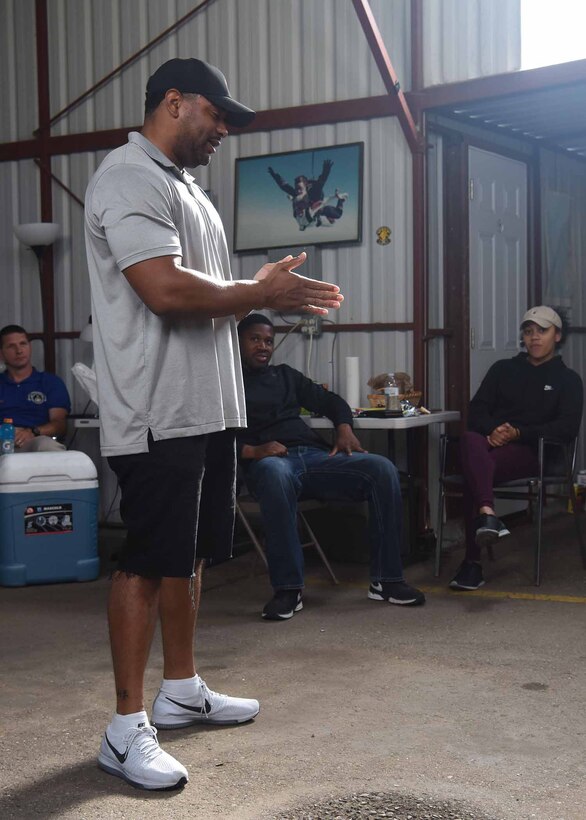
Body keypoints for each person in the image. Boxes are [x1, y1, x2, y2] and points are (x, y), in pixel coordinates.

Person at [84, 57, 343, 791]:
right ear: (173, 101)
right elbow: (164, 289)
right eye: (216, 115)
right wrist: (259, 290)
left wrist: (267, 297)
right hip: (157, 411)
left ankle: (180, 688)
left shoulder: (188, 189)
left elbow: (213, 294)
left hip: (208, 408)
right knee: (144, 558)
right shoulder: (126, 177)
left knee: (189, 554)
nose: (223, 128)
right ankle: (125, 726)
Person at [236, 313, 426, 620]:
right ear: (237, 342)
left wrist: (344, 427)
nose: (263, 346)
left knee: (381, 469)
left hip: (313, 457)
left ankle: (387, 581)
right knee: (275, 473)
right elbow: (212, 440)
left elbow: (332, 401)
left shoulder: (285, 376)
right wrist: (255, 450)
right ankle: (288, 589)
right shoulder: (224, 386)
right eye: (254, 339)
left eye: (269, 341)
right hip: (270, 464)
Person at [449, 305, 583, 591]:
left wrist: (519, 432)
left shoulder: (568, 380)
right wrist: (493, 431)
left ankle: (472, 564)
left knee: (476, 469)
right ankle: (488, 512)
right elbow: (476, 412)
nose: (534, 338)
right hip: (491, 447)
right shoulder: (503, 370)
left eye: (542, 331)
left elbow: (566, 428)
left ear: (557, 336)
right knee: (472, 440)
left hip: (537, 453)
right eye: (528, 331)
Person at [0, 325, 70, 451]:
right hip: (2, 439)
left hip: (35, 439)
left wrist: (33, 431)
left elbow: (60, 424)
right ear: (1, 354)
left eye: (23, 344)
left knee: (48, 446)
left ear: (30, 347)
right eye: (11, 346)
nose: (19, 350)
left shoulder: (50, 382)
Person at [267, 160, 347, 231]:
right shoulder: (298, 193)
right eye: (297, 188)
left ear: (306, 187)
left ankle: (341, 201)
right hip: (314, 211)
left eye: (300, 189)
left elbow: (321, 186)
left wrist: (326, 171)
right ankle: (323, 218)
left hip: (319, 208)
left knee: (337, 215)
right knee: (324, 219)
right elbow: (284, 186)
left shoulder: (315, 192)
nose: (298, 191)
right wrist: (274, 175)